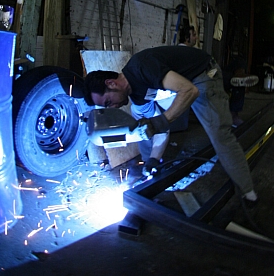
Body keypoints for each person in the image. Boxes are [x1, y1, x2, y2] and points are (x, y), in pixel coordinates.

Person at [83, 45, 258, 206]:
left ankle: (248, 192)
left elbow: (190, 90)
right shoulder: (137, 98)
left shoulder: (142, 66)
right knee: (141, 121)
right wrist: (153, 158)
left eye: (108, 102)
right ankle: (150, 170)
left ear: (111, 83)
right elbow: (159, 127)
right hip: (177, 87)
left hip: (202, 75)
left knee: (220, 135)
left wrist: (163, 119)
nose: (112, 107)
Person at [222, 54, 259, 127]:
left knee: (239, 61)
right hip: (209, 75)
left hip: (214, 69)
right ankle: (233, 116)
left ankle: (240, 74)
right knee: (237, 83)